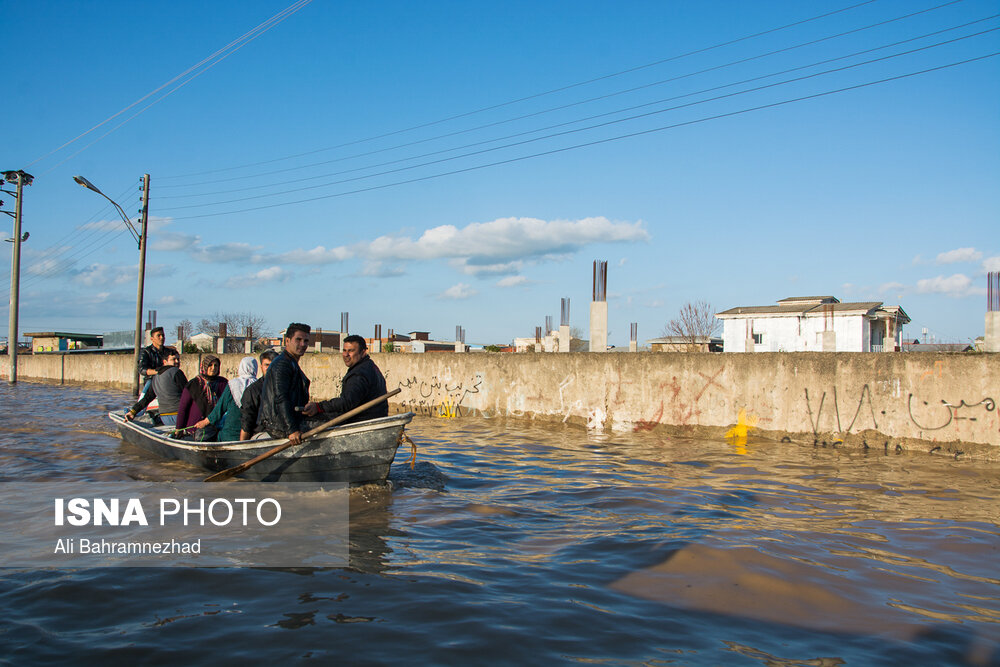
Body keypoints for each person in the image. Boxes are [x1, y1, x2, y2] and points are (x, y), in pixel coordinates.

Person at [302, 334, 387, 425]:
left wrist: (319, 407)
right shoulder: (369, 366)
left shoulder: (359, 373)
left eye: (351, 351)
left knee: (308, 421)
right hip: (375, 418)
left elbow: (347, 402)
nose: (346, 355)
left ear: (362, 353)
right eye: (344, 350)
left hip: (363, 420)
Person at [257, 323, 311, 444]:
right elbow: (281, 398)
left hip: (289, 421)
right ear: (287, 340)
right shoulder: (282, 364)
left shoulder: (291, 363)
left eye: (306, 341)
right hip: (278, 426)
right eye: (298, 340)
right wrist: (291, 429)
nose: (303, 344)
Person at [194, 356, 258, 442]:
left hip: (229, 435)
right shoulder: (259, 385)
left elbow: (219, 409)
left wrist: (205, 422)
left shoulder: (233, 384)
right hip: (252, 434)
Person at [125, 347, 186, 425]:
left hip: (165, 418)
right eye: (173, 359)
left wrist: (133, 411)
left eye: (178, 359)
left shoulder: (155, 376)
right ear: (165, 361)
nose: (177, 362)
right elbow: (189, 393)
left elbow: (147, 398)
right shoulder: (176, 372)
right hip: (179, 416)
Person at [176, 354, 228, 440]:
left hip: (217, 428)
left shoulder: (223, 383)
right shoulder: (193, 384)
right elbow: (183, 408)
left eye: (216, 365)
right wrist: (179, 428)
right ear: (204, 366)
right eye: (210, 365)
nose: (213, 368)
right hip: (196, 430)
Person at [239, 348, 277, 440]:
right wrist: (242, 445)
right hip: (261, 434)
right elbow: (247, 421)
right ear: (261, 367)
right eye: (267, 365)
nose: (270, 368)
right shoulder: (253, 390)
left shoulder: (286, 386)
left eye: (273, 365)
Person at [137, 326, 167, 391]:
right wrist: (157, 372)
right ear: (152, 339)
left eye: (163, 335)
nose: (161, 338)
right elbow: (141, 369)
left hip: (166, 382)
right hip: (151, 382)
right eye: (158, 336)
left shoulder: (169, 352)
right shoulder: (146, 352)